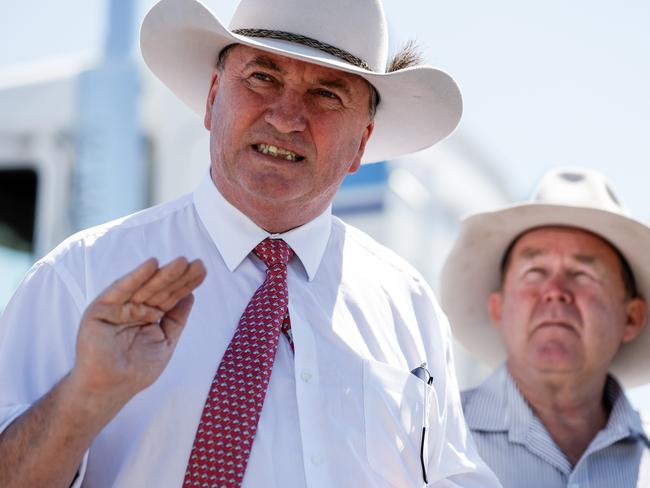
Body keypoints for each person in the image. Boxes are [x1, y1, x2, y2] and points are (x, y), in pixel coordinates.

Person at [0, 0, 500, 486]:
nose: (286, 118)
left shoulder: (406, 306)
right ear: (213, 96)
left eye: (328, 94)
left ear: (362, 143)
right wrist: (82, 397)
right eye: (263, 77)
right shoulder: (79, 278)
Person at [440, 167, 650, 487]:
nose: (555, 290)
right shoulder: (431, 441)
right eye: (534, 271)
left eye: (583, 274)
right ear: (498, 307)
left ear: (632, 317)